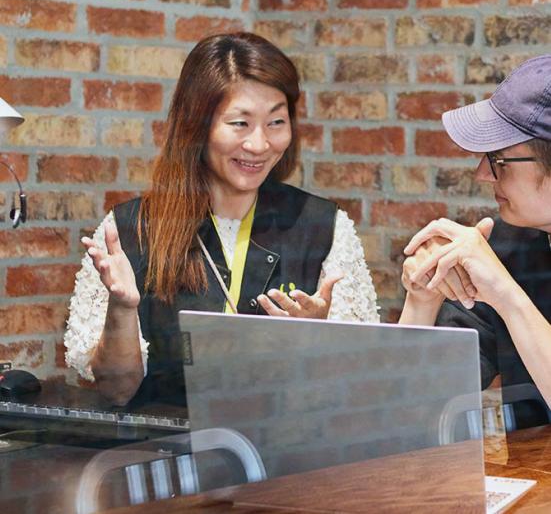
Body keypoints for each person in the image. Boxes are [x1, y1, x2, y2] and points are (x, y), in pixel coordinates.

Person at [65, 33, 379, 407]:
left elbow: (360, 389)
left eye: (276, 121)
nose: (259, 144)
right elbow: (117, 390)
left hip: (284, 443)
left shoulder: (324, 227)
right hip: (167, 442)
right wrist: (122, 307)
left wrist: (319, 339)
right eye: (240, 123)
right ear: (197, 125)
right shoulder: (129, 230)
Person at [400, 54, 551, 427]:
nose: (482, 173)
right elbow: (411, 410)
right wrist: (422, 300)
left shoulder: (501, 269)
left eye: (498, 159)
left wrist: (507, 295)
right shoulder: (509, 246)